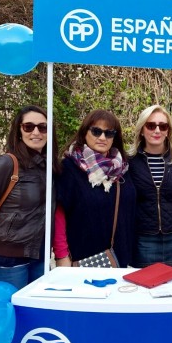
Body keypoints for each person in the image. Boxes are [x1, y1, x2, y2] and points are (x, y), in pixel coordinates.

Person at [0, 105, 57, 290]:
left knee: (34, 315)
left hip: (38, 256)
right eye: (29, 127)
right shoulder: (6, 164)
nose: (36, 132)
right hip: (6, 260)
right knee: (12, 314)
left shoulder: (49, 166)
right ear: (19, 131)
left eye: (43, 127)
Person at [52, 110, 136, 268]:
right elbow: (59, 214)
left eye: (109, 133)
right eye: (96, 131)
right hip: (84, 257)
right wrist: (62, 255)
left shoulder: (122, 167)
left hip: (118, 257)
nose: (103, 138)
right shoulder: (70, 168)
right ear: (84, 132)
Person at [127, 104, 172, 269]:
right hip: (144, 236)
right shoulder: (130, 160)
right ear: (142, 130)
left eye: (163, 126)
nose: (157, 130)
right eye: (151, 125)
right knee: (146, 287)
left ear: (168, 131)